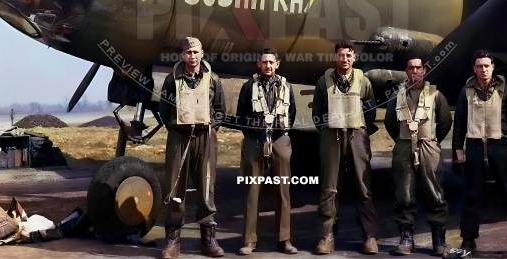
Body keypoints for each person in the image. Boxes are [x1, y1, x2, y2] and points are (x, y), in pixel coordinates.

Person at [452, 50, 507, 259]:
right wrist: (457, 151)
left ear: (493, 67)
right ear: (474, 68)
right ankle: (469, 241)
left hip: (501, 148)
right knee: (472, 197)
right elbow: (459, 123)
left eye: (487, 65)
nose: (483, 69)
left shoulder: (505, 89)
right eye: (479, 66)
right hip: (475, 148)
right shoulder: (466, 91)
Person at [159, 37, 226, 259]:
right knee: (175, 189)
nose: (193, 56)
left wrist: (209, 127)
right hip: (179, 137)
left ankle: (209, 241)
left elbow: (220, 109)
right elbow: (163, 110)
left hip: (205, 138)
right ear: (183, 55)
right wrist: (176, 127)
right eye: (188, 53)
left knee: (207, 188)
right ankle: (173, 242)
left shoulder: (213, 79)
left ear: (202, 53)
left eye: (196, 52)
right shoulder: (171, 80)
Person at [312, 40, 379, 255]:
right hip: (331, 136)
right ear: (335, 57)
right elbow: (317, 112)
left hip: (357, 134)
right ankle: (326, 235)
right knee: (329, 187)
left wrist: (360, 131)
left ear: (354, 58)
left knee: (363, 185)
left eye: (349, 55)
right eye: (341, 55)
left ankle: (369, 235)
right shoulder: (324, 81)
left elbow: (370, 110)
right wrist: (328, 129)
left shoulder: (364, 81)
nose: (345, 59)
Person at [384, 57, 452, 256]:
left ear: (424, 70)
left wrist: (431, 142)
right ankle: (406, 238)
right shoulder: (397, 96)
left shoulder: (435, 94)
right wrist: (403, 141)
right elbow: (390, 122)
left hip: (428, 145)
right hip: (404, 146)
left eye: (418, 67)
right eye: (411, 67)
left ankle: (439, 240)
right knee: (404, 193)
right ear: (406, 71)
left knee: (434, 192)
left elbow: (445, 121)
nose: (415, 71)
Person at [236, 47, 298, 255]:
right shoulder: (248, 87)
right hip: (254, 140)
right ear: (258, 64)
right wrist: (253, 130)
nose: (268, 66)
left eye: (271, 62)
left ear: (277, 65)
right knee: (253, 191)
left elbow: (292, 112)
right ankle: (249, 241)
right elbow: (241, 115)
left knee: (283, 190)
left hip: (280, 139)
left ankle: (284, 239)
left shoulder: (286, 86)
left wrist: (280, 133)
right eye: (264, 62)